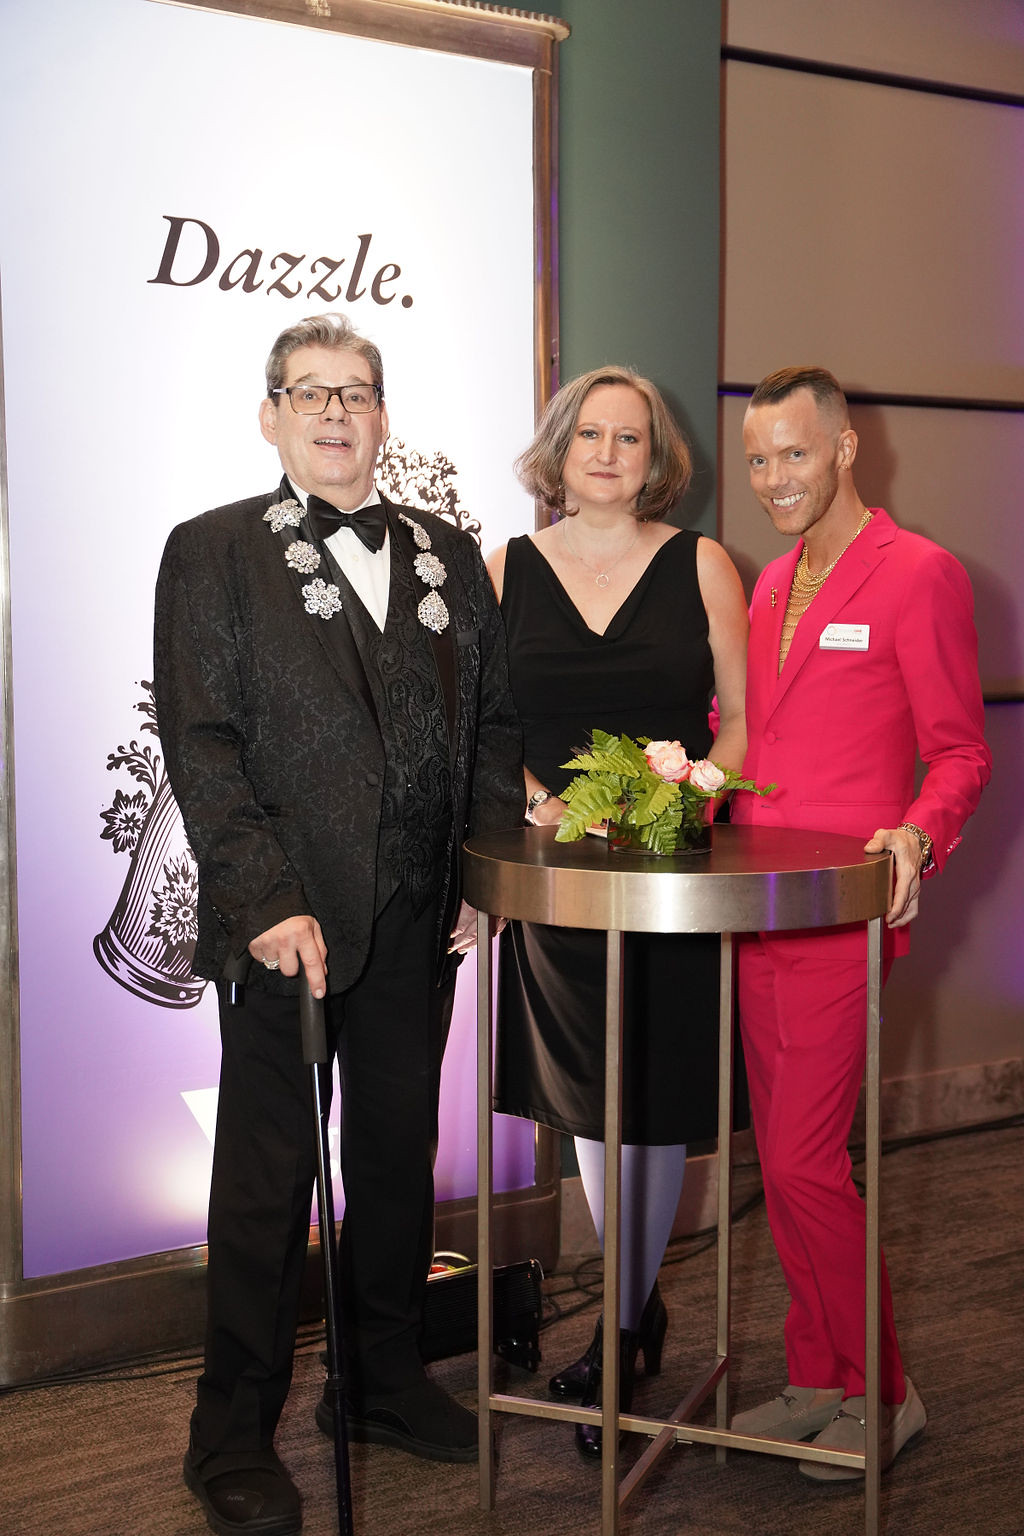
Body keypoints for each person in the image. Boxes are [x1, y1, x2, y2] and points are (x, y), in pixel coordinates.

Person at [154, 312, 522, 1536]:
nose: (332, 411)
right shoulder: (210, 554)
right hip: (285, 930)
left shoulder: (447, 553)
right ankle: (231, 1435)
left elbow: (492, 728)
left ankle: (378, 1383)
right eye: (307, 392)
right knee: (267, 1184)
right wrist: (263, 901)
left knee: (393, 1161)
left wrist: (480, 870)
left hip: (420, 917)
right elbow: (200, 747)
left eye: (354, 391)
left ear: (380, 413)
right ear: (271, 416)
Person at [729, 366, 991, 1479]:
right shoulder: (767, 583)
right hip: (756, 914)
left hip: (844, 913)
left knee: (800, 1164)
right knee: (784, 1165)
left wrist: (916, 836)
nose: (773, 479)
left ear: (843, 448)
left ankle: (883, 1392)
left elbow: (962, 749)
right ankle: (814, 1376)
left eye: (793, 453)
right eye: (756, 460)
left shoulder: (917, 572)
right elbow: (754, 740)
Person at [487, 365, 749, 1457]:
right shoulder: (505, 567)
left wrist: (691, 796)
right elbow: (484, 728)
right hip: (560, 879)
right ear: (558, 448)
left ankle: (623, 1319)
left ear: (656, 458)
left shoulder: (703, 564)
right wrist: (543, 805)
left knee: (652, 1100)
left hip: (668, 872)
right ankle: (630, 1312)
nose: (606, 453)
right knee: (594, 1103)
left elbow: (739, 726)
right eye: (588, 434)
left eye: (628, 438)